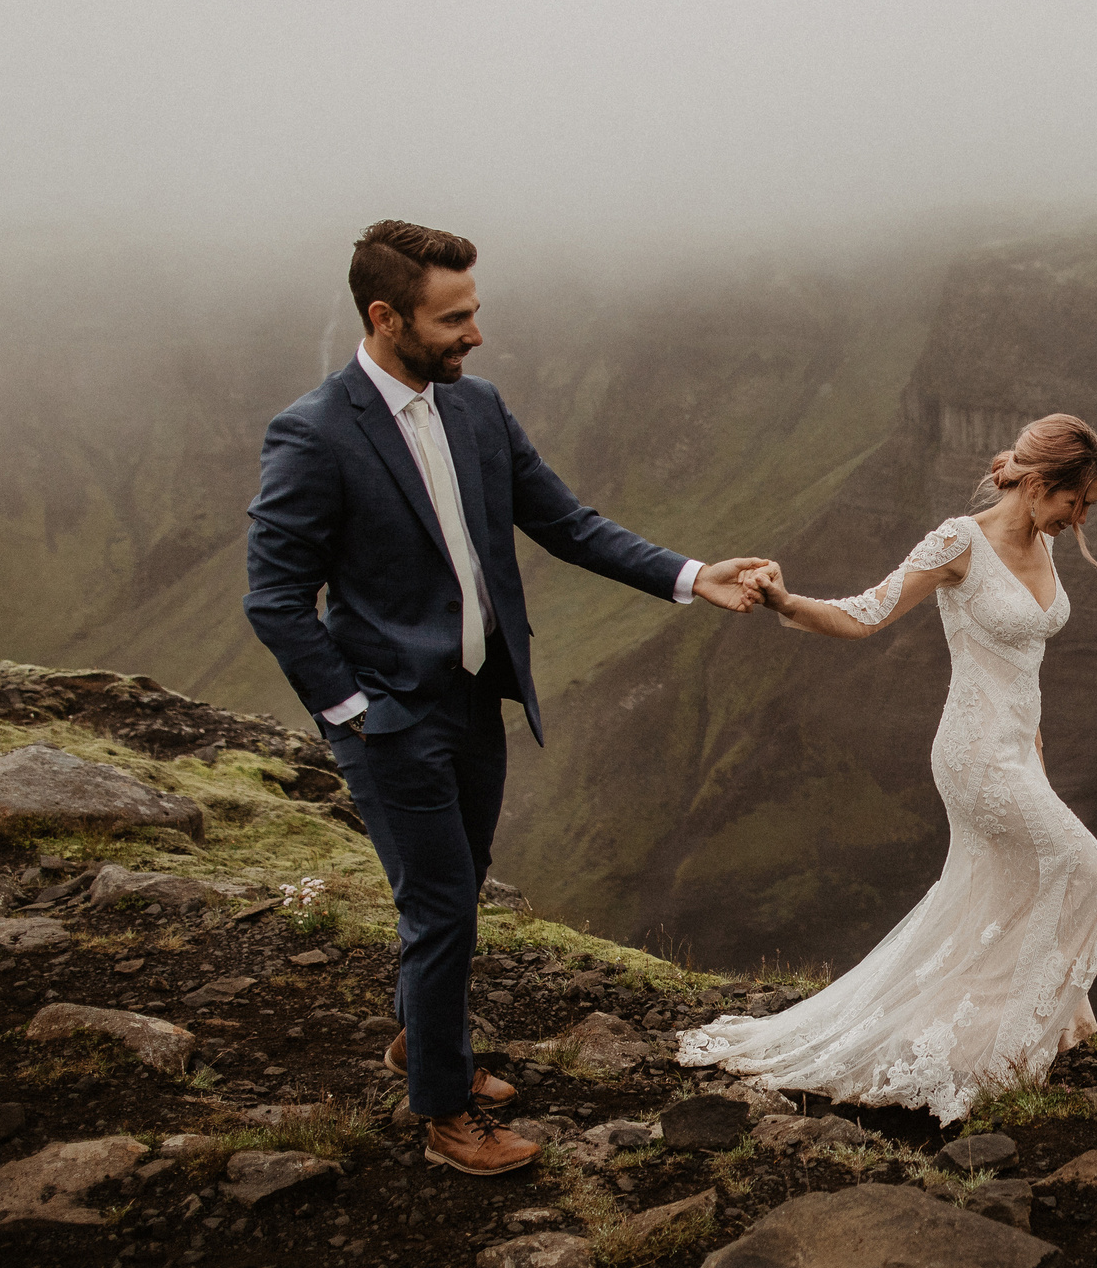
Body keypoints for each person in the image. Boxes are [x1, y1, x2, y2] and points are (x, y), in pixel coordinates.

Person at [245, 220, 770, 1176]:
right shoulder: (315, 432)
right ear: (384, 316)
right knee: (442, 907)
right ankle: (446, 1113)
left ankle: (421, 1041)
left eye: (474, 313)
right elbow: (273, 596)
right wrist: (354, 713)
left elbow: (568, 524)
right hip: (391, 718)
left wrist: (697, 576)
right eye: (454, 319)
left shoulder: (478, 408)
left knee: (460, 886)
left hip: (478, 702)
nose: (474, 334)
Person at [678, 414, 1097, 1123]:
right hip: (974, 754)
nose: (1083, 517)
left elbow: (1023, 659)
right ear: (1039, 485)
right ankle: (1008, 1046)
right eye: (1078, 501)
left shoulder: (1042, 540)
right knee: (1089, 871)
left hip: (1020, 752)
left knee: (1001, 888)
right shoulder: (960, 541)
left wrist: (1037, 741)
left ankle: (1007, 1033)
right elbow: (866, 614)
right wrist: (787, 603)